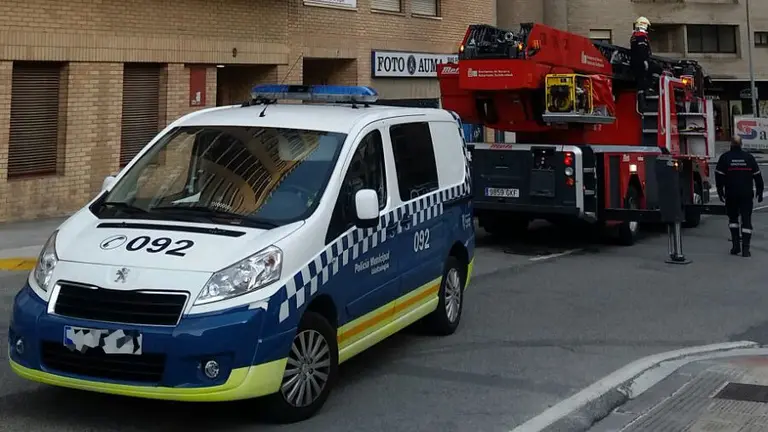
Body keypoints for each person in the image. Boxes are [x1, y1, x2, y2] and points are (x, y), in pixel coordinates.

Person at [715, 135, 764, 257]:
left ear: (730, 144)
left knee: (733, 220)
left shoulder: (725, 157)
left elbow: (719, 176)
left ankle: (736, 246)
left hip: (731, 193)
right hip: (746, 194)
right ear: (741, 144)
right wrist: (760, 191)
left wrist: (720, 191)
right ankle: (746, 249)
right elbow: (757, 175)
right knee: (746, 220)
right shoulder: (749, 157)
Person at [630, 17, 652, 110]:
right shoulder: (641, 36)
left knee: (640, 82)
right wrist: (645, 61)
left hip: (634, 62)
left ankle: (642, 101)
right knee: (656, 69)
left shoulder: (634, 36)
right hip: (640, 62)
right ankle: (649, 90)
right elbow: (642, 50)